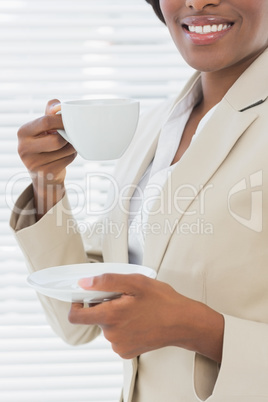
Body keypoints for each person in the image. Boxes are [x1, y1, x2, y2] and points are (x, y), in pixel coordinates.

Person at [10, 0, 268, 401]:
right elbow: (78, 321)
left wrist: (198, 328)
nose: (198, 2)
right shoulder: (154, 128)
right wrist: (48, 182)